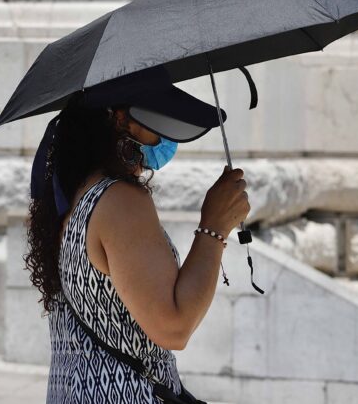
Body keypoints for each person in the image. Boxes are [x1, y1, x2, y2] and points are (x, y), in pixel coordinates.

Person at [26, 75, 250, 403]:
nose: (161, 139)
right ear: (121, 118)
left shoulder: (76, 193)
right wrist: (214, 226)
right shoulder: (120, 201)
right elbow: (173, 327)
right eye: (154, 118)